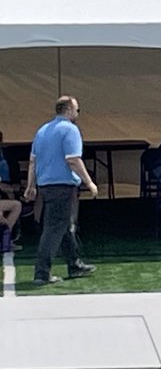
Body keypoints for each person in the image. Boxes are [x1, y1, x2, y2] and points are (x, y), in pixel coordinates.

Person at [23, 96, 98, 285]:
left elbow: (33, 160)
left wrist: (31, 185)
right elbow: (73, 159)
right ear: (68, 110)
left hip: (45, 185)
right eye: (77, 110)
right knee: (54, 228)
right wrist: (89, 182)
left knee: (62, 226)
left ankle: (74, 264)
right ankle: (42, 273)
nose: (77, 114)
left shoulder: (42, 131)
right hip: (62, 186)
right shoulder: (70, 130)